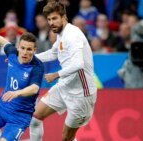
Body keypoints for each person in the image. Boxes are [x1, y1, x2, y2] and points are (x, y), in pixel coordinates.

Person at [29, 1, 97, 141]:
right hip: (65, 86)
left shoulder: (73, 35)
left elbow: (78, 64)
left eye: (54, 18)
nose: (51, 23)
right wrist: (27, 59)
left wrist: (56, 75)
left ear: (64, 17)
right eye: (49, 19)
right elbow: (53, 53)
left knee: (67, 137)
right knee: (35, 117)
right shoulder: (61, 33)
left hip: (81, 95)